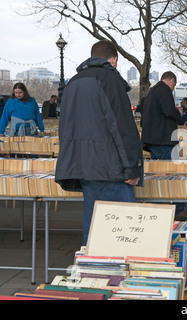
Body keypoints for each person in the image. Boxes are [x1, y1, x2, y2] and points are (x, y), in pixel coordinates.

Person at [55, 40, 144, 246]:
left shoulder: (73, 82)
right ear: (114, 60)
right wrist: (133, 168)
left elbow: (65, 127)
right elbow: (123, 127)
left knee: (94, 229)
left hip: (84, 167)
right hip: (111, 167)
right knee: (125, 234)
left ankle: (91, 273)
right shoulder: (110, 79)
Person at [141, 71, 187, 221]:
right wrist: (179, 114)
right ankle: (178, 209)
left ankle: (160, 207)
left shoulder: (152, 92)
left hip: (153, 140)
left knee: (158, 176)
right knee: (173, 174)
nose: (173, 88)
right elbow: (169, 111)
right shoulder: (164, 90)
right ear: (171, 81)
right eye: (174, 85)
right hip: (164, 139)